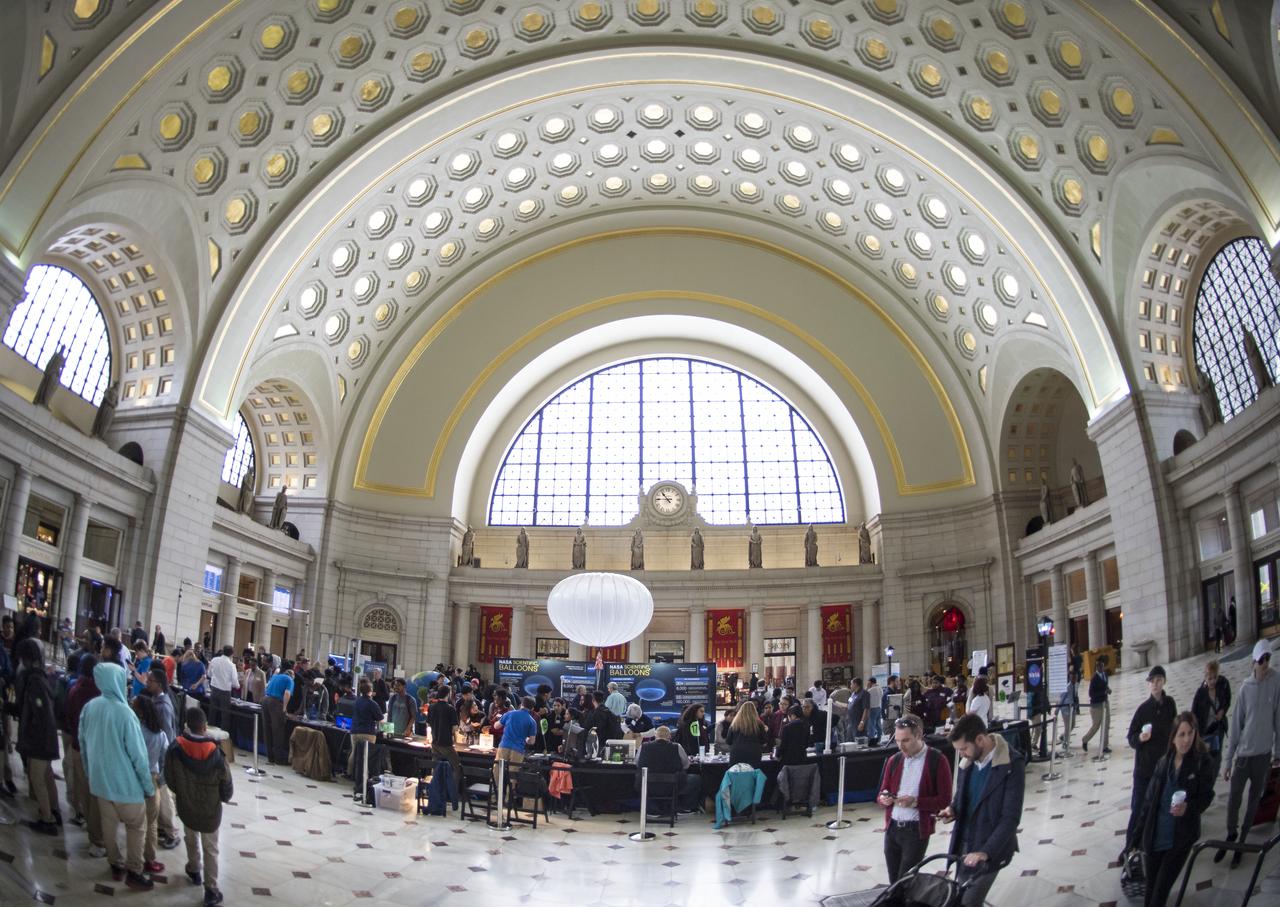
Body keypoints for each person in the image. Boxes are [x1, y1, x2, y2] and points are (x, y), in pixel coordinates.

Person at [79, 661, 157, 890]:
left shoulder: (90, 707)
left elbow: (83, 745)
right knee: (136, 826)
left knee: (109, 826)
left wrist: (89, 773)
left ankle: (115, 864)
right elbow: (139, 757)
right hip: (126, 786)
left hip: (100, 782)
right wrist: (148, 787)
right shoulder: (125, 714)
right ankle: (134, 870)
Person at [939, 714, 1026, 906]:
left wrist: (985, 852)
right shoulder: (968, 761)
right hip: (965, 843)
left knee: (969, 901)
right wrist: (952, 809)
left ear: (980, 739)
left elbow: (1010, 818)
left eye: (963, 749)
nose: (961, 754)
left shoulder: (1011, 764)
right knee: (960, 894)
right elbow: (963, 794)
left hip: (989, 847)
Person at [1133, 712, 1215, 907]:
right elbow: (1149, 802)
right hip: (1156, 837)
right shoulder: (1164, 762)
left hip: (1178, 840)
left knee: (1159, 896)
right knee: (1150, 893)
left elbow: (1206, 797)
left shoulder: (1203, 762)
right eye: (1182, 734)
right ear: (1173, 737)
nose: (1186, 739)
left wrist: (1189, 807)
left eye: (1190, 733)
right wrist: (1135, 838)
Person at [1216, 639, 1280, 868]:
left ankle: (1242, 840)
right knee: (1234, 799)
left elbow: (1278, 719)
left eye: (1268, 659)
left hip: (1263, 756)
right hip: (1244, 755)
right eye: (1261, 660)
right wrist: (1228, 761)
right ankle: (1231, 834)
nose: (1265, 664)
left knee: (1254, 801)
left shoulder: (1275, 681)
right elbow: (1236, 727)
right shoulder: (1245, 688)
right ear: (1254, 662)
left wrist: (1278, 752)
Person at [165, 707, 232, 907]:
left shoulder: (176, 748)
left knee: (190, 835)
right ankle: (211, 889)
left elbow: (170, 778)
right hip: (210, 809)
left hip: (187, 803)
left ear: (187, 725)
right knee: (211, 847)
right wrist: (222, 797)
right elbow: (226, 786)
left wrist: (182, 793)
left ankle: (194, 869)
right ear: (204, 727)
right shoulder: (217, 754)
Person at [877, 714, 953, 885]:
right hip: (893, 828)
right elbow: (882, 793)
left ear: (919, 735)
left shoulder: (937, 760)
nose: (900, 746)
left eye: (906, 740)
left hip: (915, 831)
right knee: (893, 881)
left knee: (905, 882)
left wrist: (916, 802)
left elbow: (945, 800)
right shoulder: (894, 761)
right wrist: (884, 799)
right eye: (897, 740)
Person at [1125, 665, 1177, 846]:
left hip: (1162, 766)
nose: (1155, 684)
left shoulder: (1170, 704)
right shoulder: (1143, 710)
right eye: (1153, 681)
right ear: (1148, 684)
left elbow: (1174, 730)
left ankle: (1152, 843)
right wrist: (1140, 737)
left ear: (1163, 682)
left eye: (1159, 680)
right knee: (1138, 808)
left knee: (1159, 807)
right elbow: (1131, 737)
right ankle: (1130, 846)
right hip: (1144, 768)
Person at [14, 638, 60, 834]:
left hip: (40, 739)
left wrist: (33, 738)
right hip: (46, 738)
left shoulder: (35, 681)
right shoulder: (40, 677)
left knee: (37, 778)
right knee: (47, 776)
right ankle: (54, 811)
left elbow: (40, 713)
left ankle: (48, 819)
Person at [131, 693, 169, 877]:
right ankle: (150, 859)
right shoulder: (160, 734)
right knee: (151, 822)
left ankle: (134, 861)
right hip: (152, 777)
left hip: (133, 778)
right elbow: (166, 757)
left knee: (136, 824)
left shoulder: (135, 730)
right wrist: (161, 779)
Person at [636, 725, 702, 814]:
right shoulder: (677, 747)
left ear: (655, 736)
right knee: (696, 779)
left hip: (648, 785)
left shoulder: (643, 747)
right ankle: (686, 807)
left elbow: (637, 763)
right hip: (673, 786)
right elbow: (686, 765)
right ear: (670, 736)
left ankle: (653, 810)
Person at [1191, 659, 1231, 782]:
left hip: (1218, 728)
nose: (1213, 681)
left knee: (1217, 757)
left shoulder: (1223, 684)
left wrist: (1222, 711)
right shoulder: (1200, 693)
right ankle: (1205, 779)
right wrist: (1195, 734)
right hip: (1205, 731)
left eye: (1215, 678)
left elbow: (1227, 700)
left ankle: (1212, 780)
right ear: (1205, 678)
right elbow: (1194, 713)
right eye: (1210, 678)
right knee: (1205, 758)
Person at [426, 687, 461, 788]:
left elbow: (428, 724)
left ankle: (435, 789)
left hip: (434, 742)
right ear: (448, 694)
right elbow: (455, 728)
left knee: (436, 767)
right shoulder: (450, 709)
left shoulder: (431, 707)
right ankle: (452, 792)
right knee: (456, 767)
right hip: (446, 743)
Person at [347, 679, 383, 778]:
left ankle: (350, 773)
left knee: (354, 752)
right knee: (366, 755)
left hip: (354, 731)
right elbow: (380, 718)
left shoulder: (356, 701)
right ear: (370, 691)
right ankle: (364, 776)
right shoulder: (372, 703)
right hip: (367, 732)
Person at [494, 696, 539, 774]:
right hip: (518, 750)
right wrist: (526, 739)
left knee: (498, 772)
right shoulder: (532, 722)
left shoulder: (509, 714)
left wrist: (498, 720)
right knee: (513, 775)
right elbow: (531, 741)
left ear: (521, 704)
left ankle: (497, 786)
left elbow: (496, 726)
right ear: (532, 708)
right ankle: (511, 786)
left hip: (504, 746)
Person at [260, 662, 294, 765]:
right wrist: (284, 708)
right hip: (275, 703)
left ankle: (270, 757)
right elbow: (287, 693)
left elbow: (266, 688)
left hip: (265, 700)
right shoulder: (289, 680)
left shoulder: (275, 676)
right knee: (277, 730)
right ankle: (279, 759)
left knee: (267, 729)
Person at [1081, 655, 1111, 754]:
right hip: (1096, 706)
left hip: (1105, 703)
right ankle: (1085, 739)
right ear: (1097, 667)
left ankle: (1104, 746)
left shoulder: (1105, 675)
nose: (1102, 668)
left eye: (1103, 666)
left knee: (1106, 725)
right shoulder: (1094, 678)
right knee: (1096, 725)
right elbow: (1091, 694)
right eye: (1100, 666)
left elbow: (1105, 686)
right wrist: (1103, 692)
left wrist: (1107, 690)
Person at [725, 700, 769, 768]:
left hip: (736, 753)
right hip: (754, 753)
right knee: (752, 774)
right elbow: (764, 741)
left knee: (736, 774)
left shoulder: (734, 724)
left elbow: (728, 741)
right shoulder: (759, 724)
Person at [205, 647, 238, 731]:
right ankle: (223, 737)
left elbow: (209, 674)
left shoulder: (214, 660)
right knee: (225, 715)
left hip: (214, 688)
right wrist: (238, 686)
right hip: (225, 691)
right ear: (231, 654)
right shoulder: (231, 665)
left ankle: (210, 732)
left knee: (212, 712)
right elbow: (234, 682)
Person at [1057, 667, 1080, 754]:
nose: (1074, 679)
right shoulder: (1066, 687)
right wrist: (1057, 710)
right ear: (1070, 678)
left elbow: (1076, 696)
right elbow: (1061, 699)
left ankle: (1063, 736)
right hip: (1066, 709)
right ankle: (1065, 742)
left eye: (1075, 677)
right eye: (1072, 677)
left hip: (1072, 708)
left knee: (1073, 724)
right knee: (1067, 726)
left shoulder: (1076, 685)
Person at [866, 677, 884, 743]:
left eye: (868, 682)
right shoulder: (880, 688)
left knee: (871, 725)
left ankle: (871, 739)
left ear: (870, 682)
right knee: (878, 724)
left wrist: (867, 687)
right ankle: (879, 738)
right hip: (879, 707)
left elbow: (865, 695)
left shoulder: (871, 690)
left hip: (872, 708)